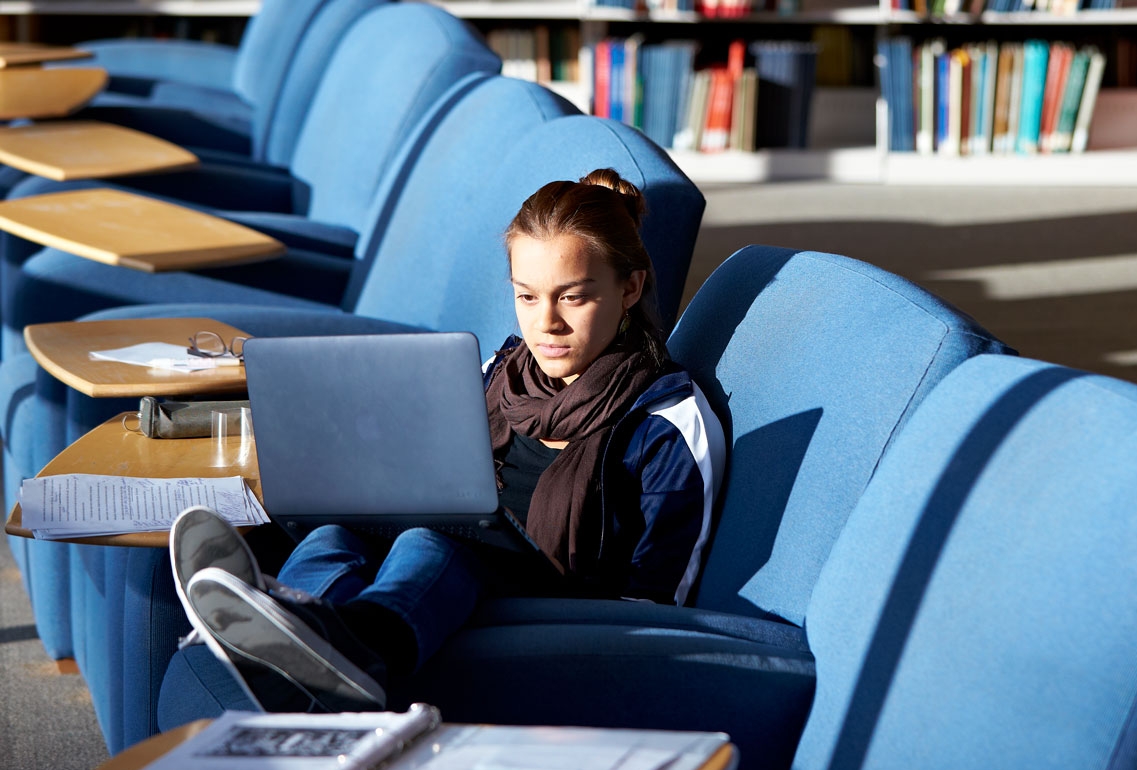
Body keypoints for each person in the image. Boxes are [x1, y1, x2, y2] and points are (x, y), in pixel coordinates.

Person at [171, 168, 724, 713]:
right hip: (434, 584)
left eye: (573, 298)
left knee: (433, 540)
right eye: (527, 297)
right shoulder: (494, 374)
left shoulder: (665, 421)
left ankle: (352, 647)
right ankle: (287, 640)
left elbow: (659, 602)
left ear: (631, 287)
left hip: (552, 610)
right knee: (338, 529)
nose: (546, 324)